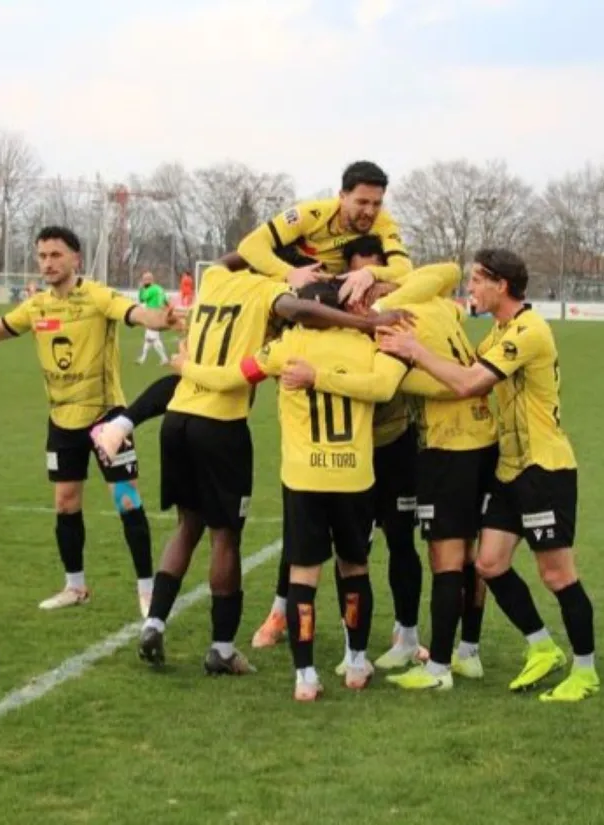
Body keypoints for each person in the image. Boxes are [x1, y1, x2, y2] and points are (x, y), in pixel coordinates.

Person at [100, 259, 409, 676]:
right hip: (292, 454)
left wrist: (185, 368)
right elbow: (379, 379)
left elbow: (233, 371)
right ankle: (228, 649)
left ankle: (157, 623)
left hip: (182, 418)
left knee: (190, 529)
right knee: (233, 540)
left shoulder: (224, 286)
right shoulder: (342, 335)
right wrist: (368, 321)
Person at [378, 248, 600, 703]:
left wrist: (414, 351)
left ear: (502, 285)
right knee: (489, 564)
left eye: (478, 280)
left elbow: (468, 383)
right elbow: (459, 375)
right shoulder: (499, 330)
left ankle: (585, 670)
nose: (470, 288)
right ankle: (542, 646)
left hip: (544, 469)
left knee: (557, 574)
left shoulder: (528, 331)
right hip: (508, 468)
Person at [173, 281, 413, 700]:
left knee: (303, 575)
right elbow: (384, 388)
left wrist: (186, 368)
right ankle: (357, 661)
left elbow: (232, 378)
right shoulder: (369, 345)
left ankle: (305, 675)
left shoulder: (284, 348)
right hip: (354, 477)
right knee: (354, 569)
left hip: (304, 480)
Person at [0, 226, 174, 618]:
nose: (47, 263)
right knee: (65, 503)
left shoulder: (97, 296)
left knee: (126, 500)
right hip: (61, 418)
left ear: (75, 258)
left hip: (105, 417)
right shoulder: (36, 306)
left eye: (56, 255)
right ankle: (75, 587)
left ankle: (147, 590)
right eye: (42, 256)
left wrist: (159, 318)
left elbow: (136, 313)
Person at [356, 279, 497, 690]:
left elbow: (406, 383)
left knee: (445, 558)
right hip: (483, 441)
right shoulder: (442, 308)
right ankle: (468, 652)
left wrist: (408, 377)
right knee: (468, 554)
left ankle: (437, 669)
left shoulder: (395, 324)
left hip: (448, 448)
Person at [237, 161, 411, 306]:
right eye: (362, 202)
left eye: (376, 204)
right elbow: (250, 246)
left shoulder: (384, 223)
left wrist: (371, 273)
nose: (370, 212)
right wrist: (290, 273)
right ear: (342, 196)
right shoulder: (311, 214)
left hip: (327, 286)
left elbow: (404, 269)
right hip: (287, 273)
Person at [136, 272, 170, 365]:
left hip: (152, 316)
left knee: (153, 339)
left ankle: (164, 359)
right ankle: (142, 359)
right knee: (148, 338)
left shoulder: (150, 290)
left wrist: (141, 289)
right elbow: (166, 301)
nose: (143, 282)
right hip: (159, 314)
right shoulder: (159, 288)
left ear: (148, 281)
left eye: (144, 280)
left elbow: (141, 299)